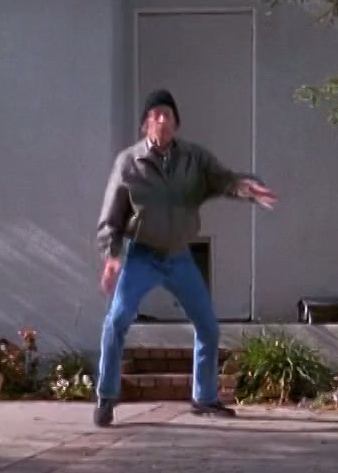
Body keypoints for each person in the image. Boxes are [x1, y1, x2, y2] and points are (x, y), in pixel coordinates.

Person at [94, 89, 277, 427]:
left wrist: (247, 189)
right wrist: (112, 256)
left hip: (179, 255)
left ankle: (204, 398)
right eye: (155, 115)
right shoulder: (129, 163)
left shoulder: (194, 159)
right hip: (142, 255)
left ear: (176, 124)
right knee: (117, 321)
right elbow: (111, 216)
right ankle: (106, 396)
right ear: (145, 125)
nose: (162, 120)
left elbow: (223, 180)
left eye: (168, 114)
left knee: (207, 325)